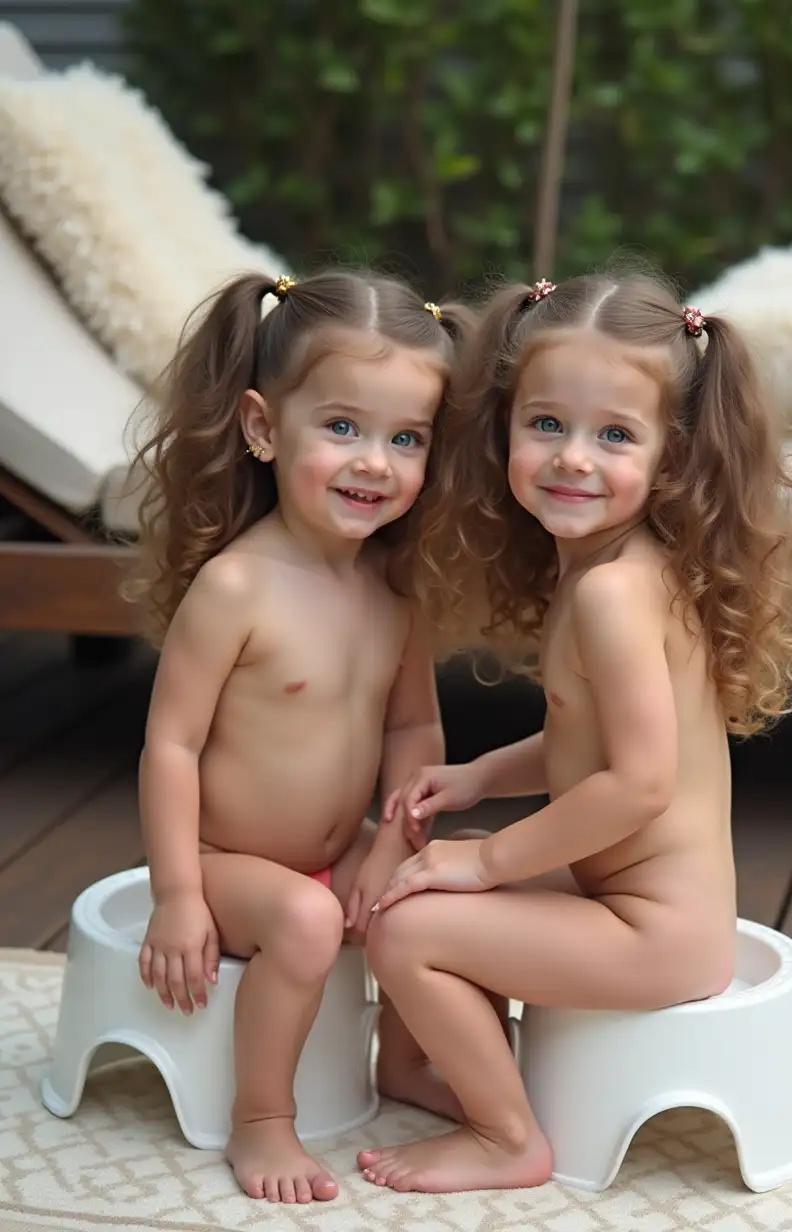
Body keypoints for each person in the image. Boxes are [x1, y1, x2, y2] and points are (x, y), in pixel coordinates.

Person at [357, 269, 792, 1194]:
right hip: (638, 903)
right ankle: (424, 1071)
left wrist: (488, 867)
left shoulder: (612, 592)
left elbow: (640, 785)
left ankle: (508, 1142)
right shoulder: (616, 566)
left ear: (674, 457)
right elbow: (593, 751)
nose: (574, 457)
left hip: (660, 936)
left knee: (408, 933)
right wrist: (483, 775)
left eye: (614, 435)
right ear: (504, 430)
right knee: (457, 864)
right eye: (547, 425)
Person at [123, 269, 471, 1204]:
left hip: (336, 848)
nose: (375, 462)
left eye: (407, 439)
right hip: (225, 857)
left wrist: (392, 846)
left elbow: (413, 727)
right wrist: (178, 896)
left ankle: (405, 1064)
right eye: (343, 428)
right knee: (312, 920)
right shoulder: (238, 587)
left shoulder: (395, 587)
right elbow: (171, 748)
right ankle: (262, 1119)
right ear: (263, 427)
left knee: (443, 883)